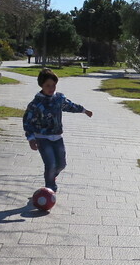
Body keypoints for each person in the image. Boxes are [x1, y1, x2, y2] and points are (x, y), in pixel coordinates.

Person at [22, 68, 93, 198]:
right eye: (47, 85)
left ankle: (52, 176)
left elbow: (70, 106)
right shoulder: (36, 103)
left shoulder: (59, 98)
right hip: (42, 138)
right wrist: (31, 138)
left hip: (57, 137)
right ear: (41, 85)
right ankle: (49, 190)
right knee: (50, 164)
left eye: (53, 85)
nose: (51, 88)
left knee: (61, 164)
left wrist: (84, 110)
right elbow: (27, 121)